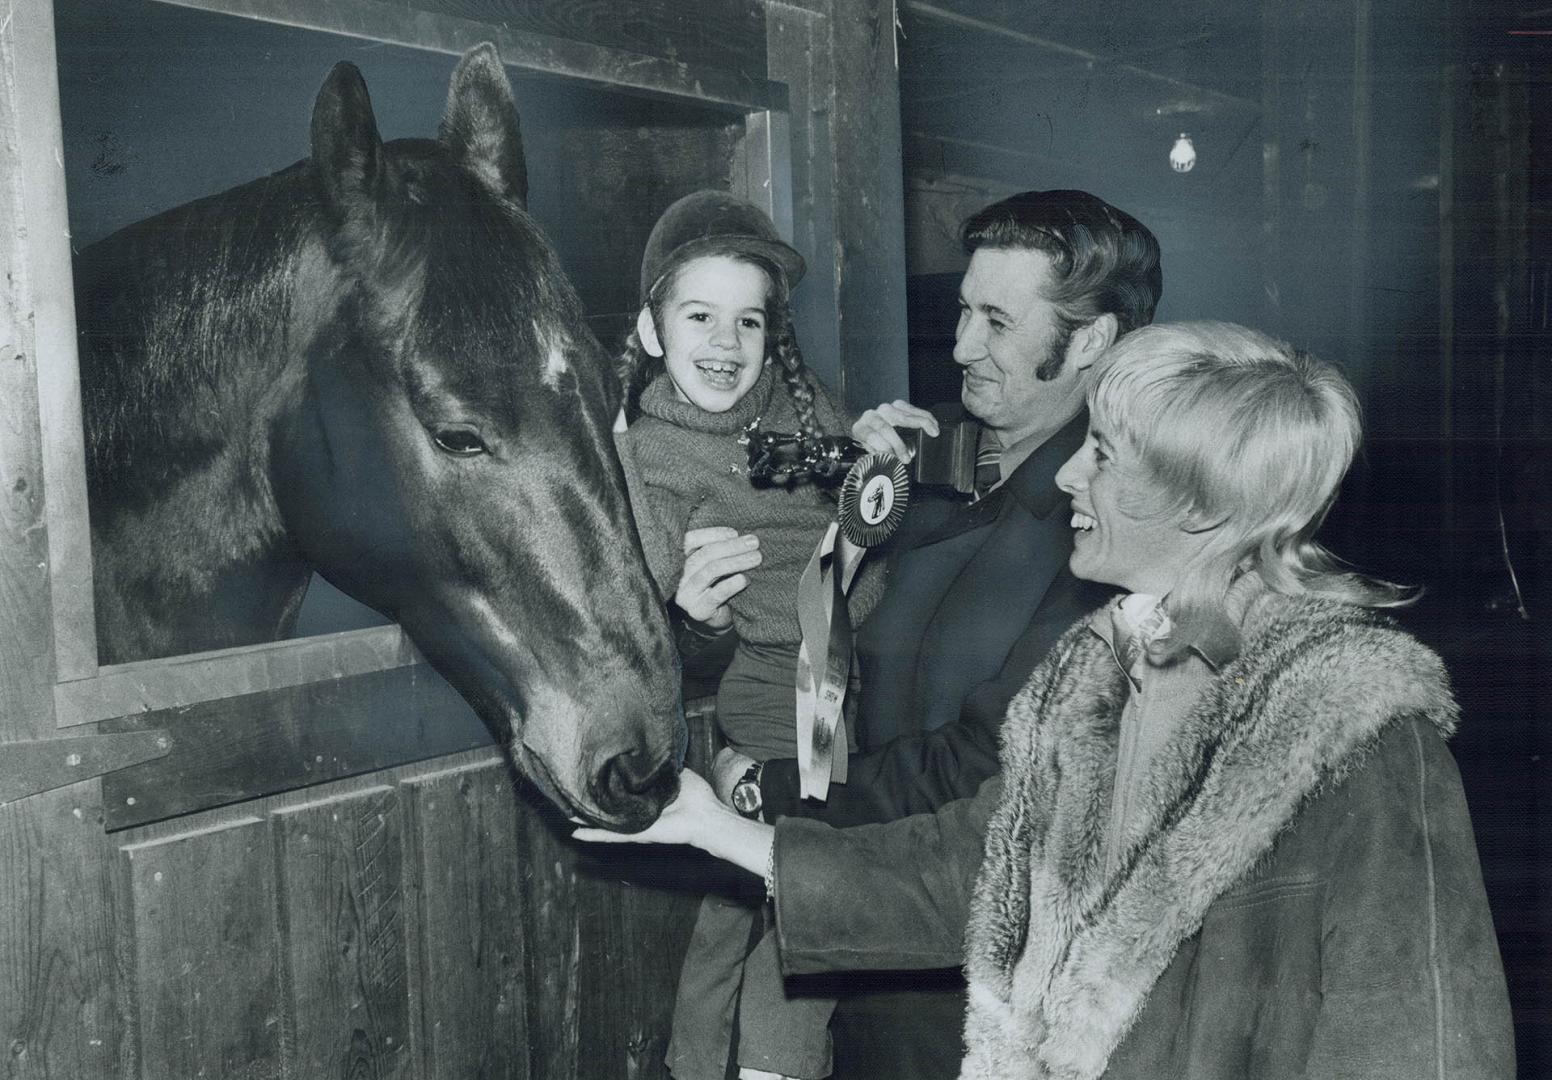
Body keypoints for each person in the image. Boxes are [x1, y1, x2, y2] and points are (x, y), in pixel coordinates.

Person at [581, 321, 1517, 1080]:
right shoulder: (1093, 674)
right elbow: (969, 875)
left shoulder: (1356, 726)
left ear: (1198, 504)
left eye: (1101, 455)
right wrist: (714, 829)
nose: (1067, 474)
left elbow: (1428, 1037)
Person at [685, 189, 1162, 1079]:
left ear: (1091, 342)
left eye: (996, 321)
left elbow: (989, 765)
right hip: (862, 952)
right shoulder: (934, 473)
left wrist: (768, 795)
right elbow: (822, 635)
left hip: (996, 990)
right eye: (961, 311)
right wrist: (705, 620)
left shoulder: (1110, 538)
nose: (959, 348)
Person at [615, 190, 887, 1080]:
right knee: (803, 899)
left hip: (844, 674)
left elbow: (870, 521)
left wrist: (881, 464)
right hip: (788, 692)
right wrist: (689, 601)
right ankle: (778, 1070)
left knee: (740, 893)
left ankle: (689, 1065)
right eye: (700, 317)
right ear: (654, 332)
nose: (726, 345)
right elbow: (645, 583)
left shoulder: (795, 421)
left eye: (749, 321)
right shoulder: (652, 450)